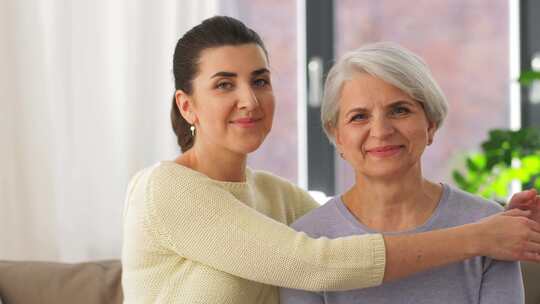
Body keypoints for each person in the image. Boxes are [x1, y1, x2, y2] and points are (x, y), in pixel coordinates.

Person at [121, 16, 540, 304]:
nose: (248, 100)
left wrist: (501, 219)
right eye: (224, 84)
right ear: (187, 105)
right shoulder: (164, 189)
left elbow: (360, 224)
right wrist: (479, 237)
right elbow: (320, 263)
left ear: (431, 123)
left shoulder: (276, 197)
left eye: (260, 80)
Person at [280, 42, 531, 304]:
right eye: (359, 117)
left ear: (430, 124)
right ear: (337, 135)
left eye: (399, 110)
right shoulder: (308, 241)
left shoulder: (488, 223)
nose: (381, 131)